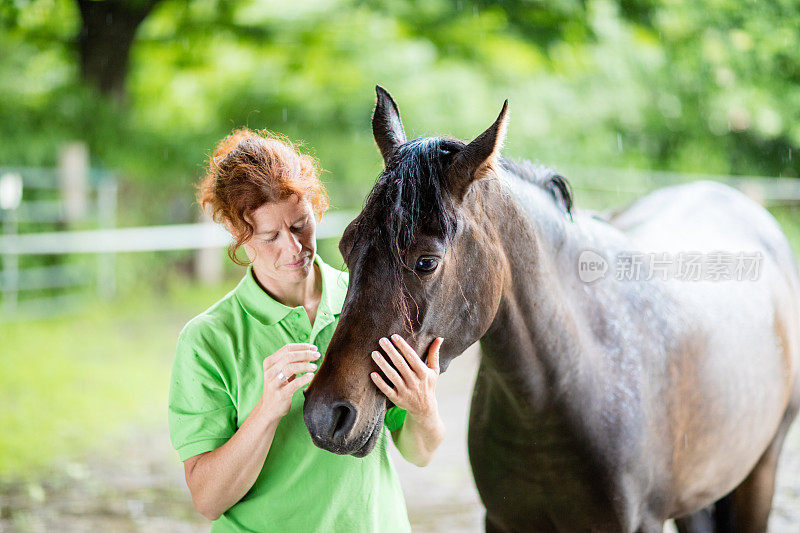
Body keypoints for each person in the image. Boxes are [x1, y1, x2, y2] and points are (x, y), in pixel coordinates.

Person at [168, 128, 446, 532]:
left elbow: (419, 452)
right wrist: (267, 411)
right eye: (270, 237)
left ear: (315, 208)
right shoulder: (208, 341)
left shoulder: (368, 303)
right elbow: (208, 500)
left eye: (300, 225)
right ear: (237, 235)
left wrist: (423, 408)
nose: (293, 249)